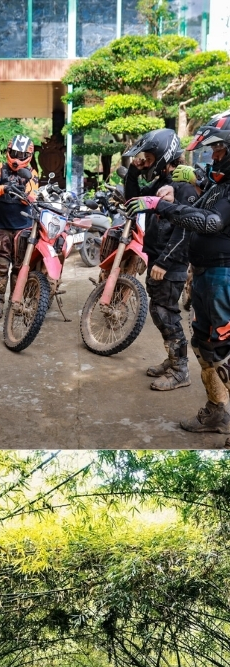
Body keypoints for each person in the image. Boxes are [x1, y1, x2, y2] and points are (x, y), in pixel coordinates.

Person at [133, 114, 230, 435]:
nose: (214, 155)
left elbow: (210, 222)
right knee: (204, 345)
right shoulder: (217, 186)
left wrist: (163, 206)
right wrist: (190, 188)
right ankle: (216, 411)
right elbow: (197, 211)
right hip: (204, 273)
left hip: (222, 275)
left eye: (219, 150)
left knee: (221, 348)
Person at [123, 129, 190, 390]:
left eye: (149, 159)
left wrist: (164, 262)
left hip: (170, 263)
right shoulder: (162, 181)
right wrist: (133, 171)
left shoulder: (183, 186)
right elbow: (133, 201)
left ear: (164, 157)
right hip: (157, 257)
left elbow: (185, 230)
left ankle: (180, 370)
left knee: (166, 314)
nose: (146, 163)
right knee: (160, 311)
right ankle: (173, 360)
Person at [0, 135, 40, 319]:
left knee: (19, 267)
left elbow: (32, 197)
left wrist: (23, 193)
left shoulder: (32, 173)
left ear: (29, 155)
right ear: (9, 151)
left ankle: (15, 302)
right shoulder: (0, 168)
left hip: (23, 227)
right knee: (1, 266)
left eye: (21, 154)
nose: (17, 158)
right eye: (14, 153)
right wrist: (4, 188)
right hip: (2, 226)